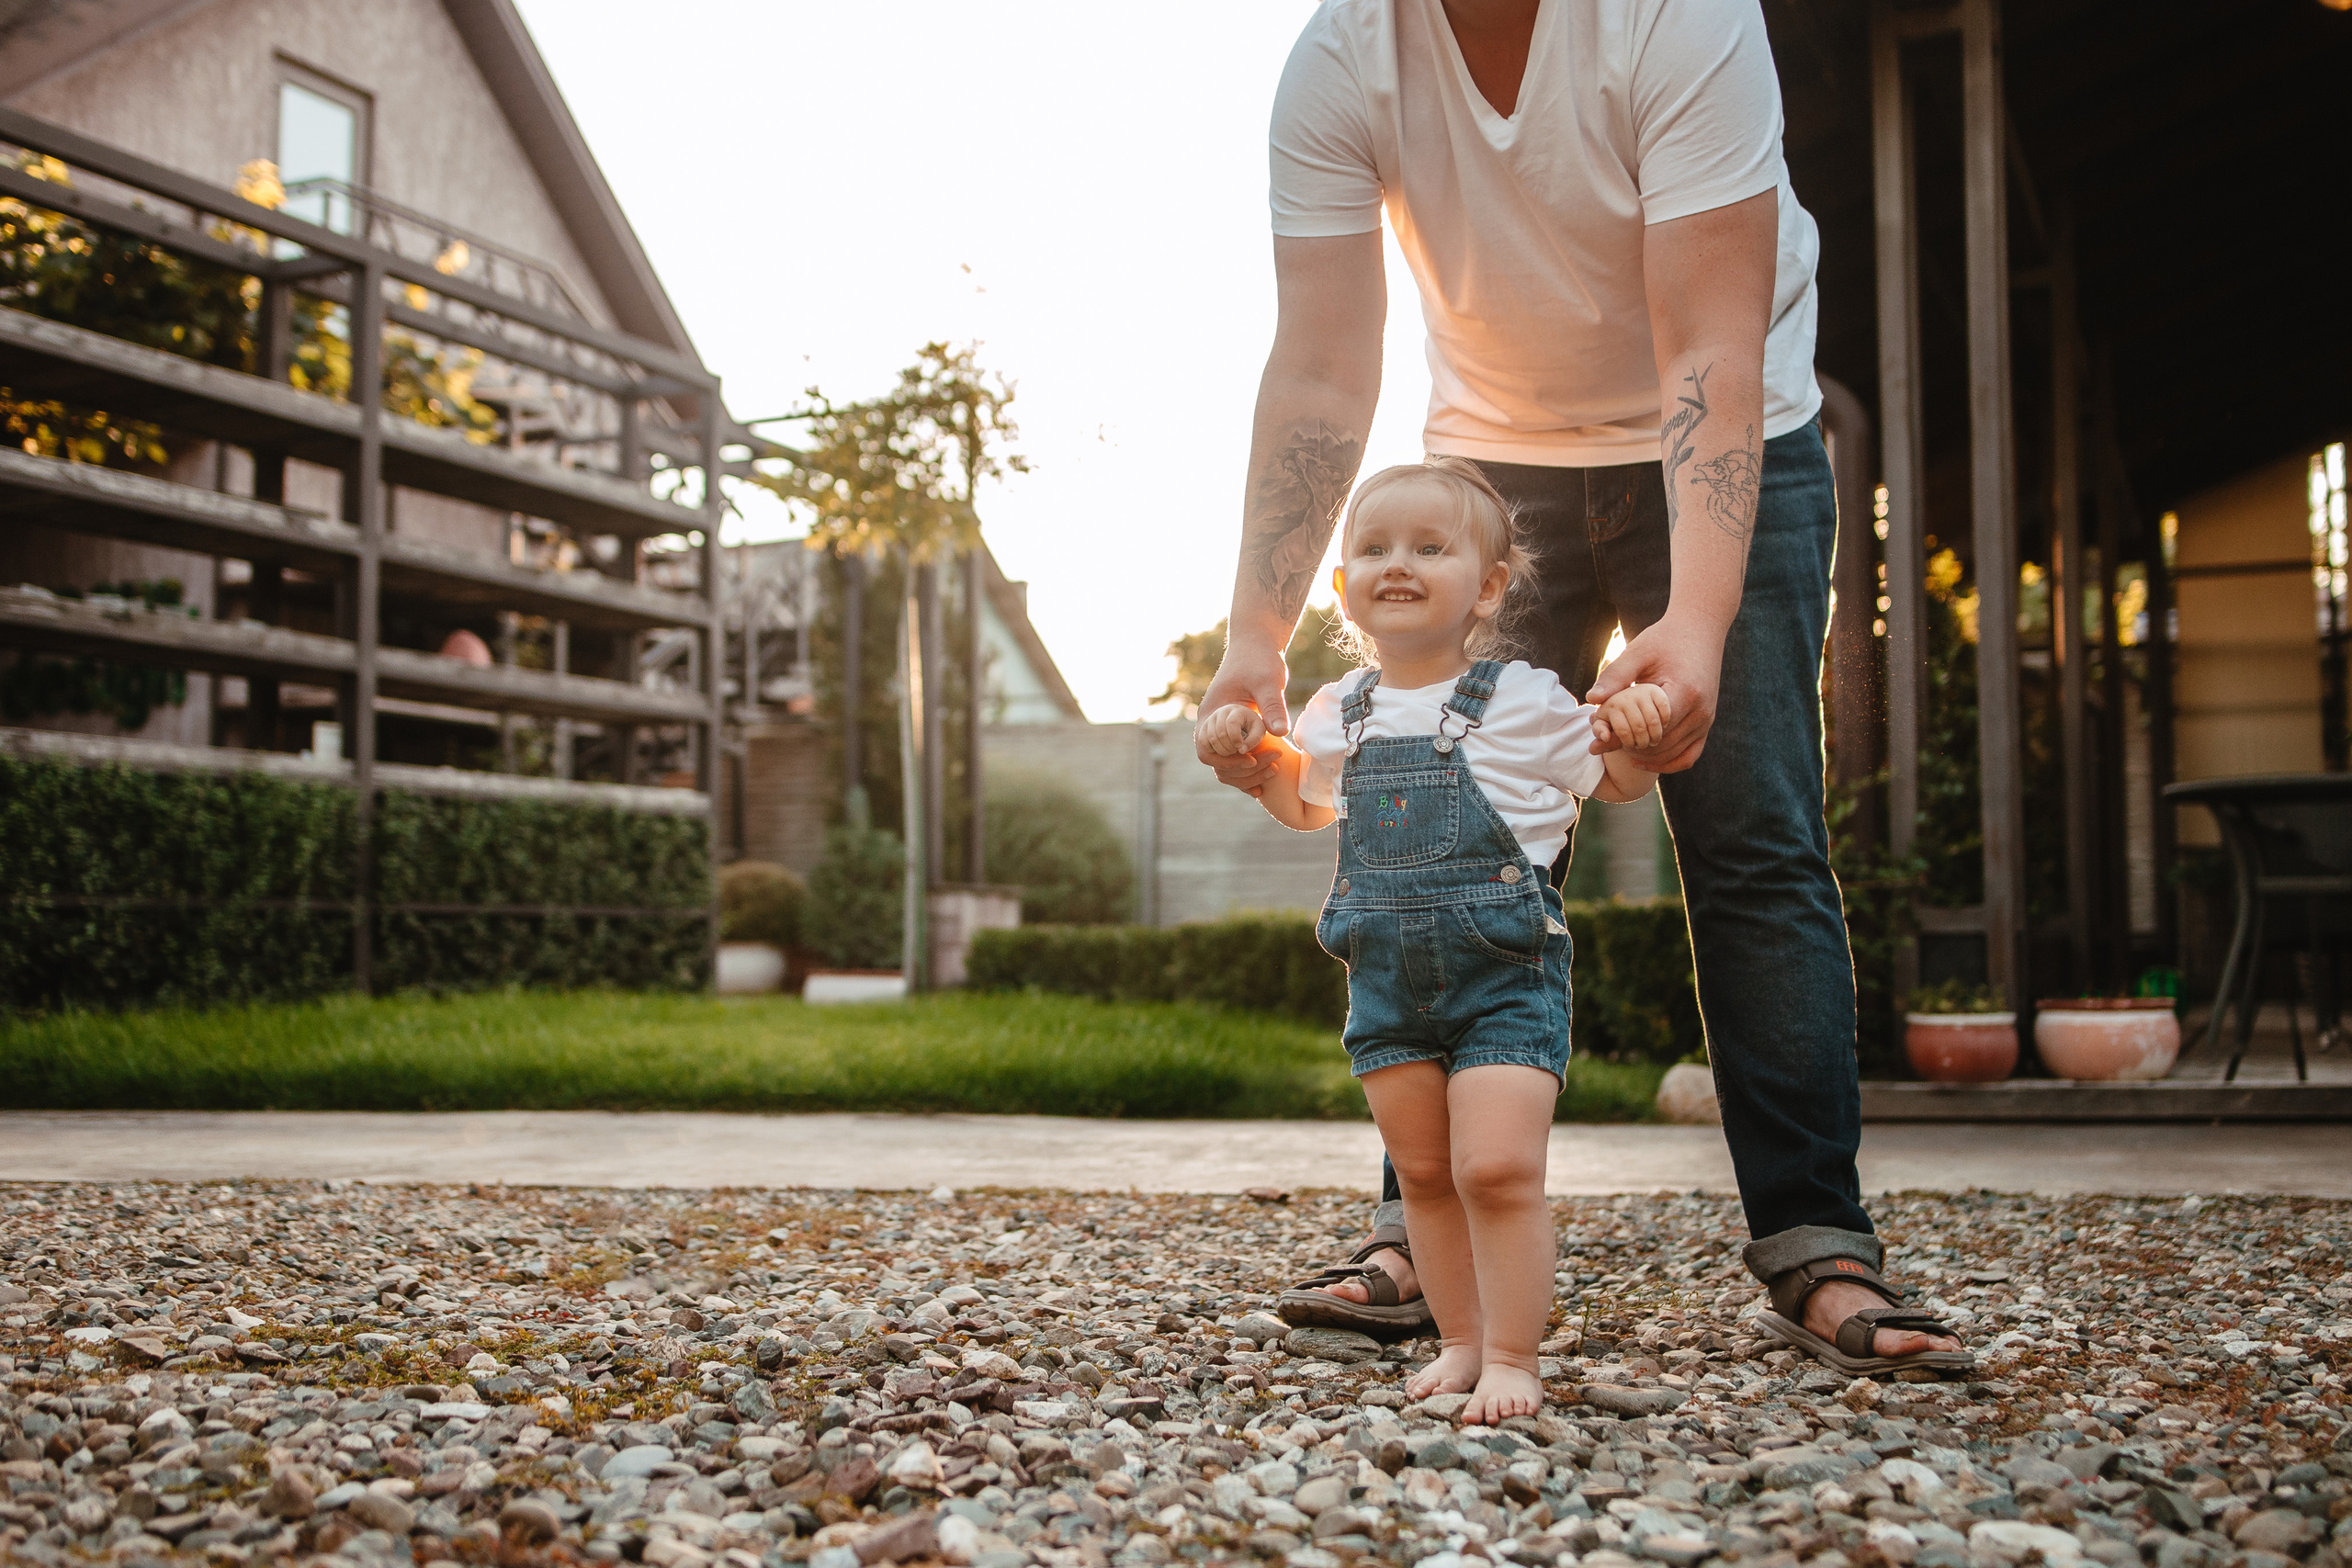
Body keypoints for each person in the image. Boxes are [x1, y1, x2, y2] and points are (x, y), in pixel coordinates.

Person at [1194, 0, 1973, 1379]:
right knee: (1430, 822)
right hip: (1493, 462)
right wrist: (1257, 628)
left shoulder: (1679, 20)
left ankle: (1816, 1236)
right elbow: (1320, 370)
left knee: (1752, 832)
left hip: (1734, 432)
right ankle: (1414, 1232)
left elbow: (1706, 355)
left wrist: (1698, 618)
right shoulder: (1339, 60)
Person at [1200, 458, 1671, 1422]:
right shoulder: (1337, 712)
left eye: (1428, 546)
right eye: (1371, 548)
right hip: (1384, 987)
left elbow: (1616, 784)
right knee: (1422, 1175)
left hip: (1505, 978)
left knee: (1493, 1170)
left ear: (1488, 585)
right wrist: (1252, 766)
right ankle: (1458, 1342)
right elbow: (1304, 803)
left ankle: (1512, 1357)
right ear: (1342, 589)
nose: (1397, 563)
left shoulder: (1528, 699)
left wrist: (1637, 730)